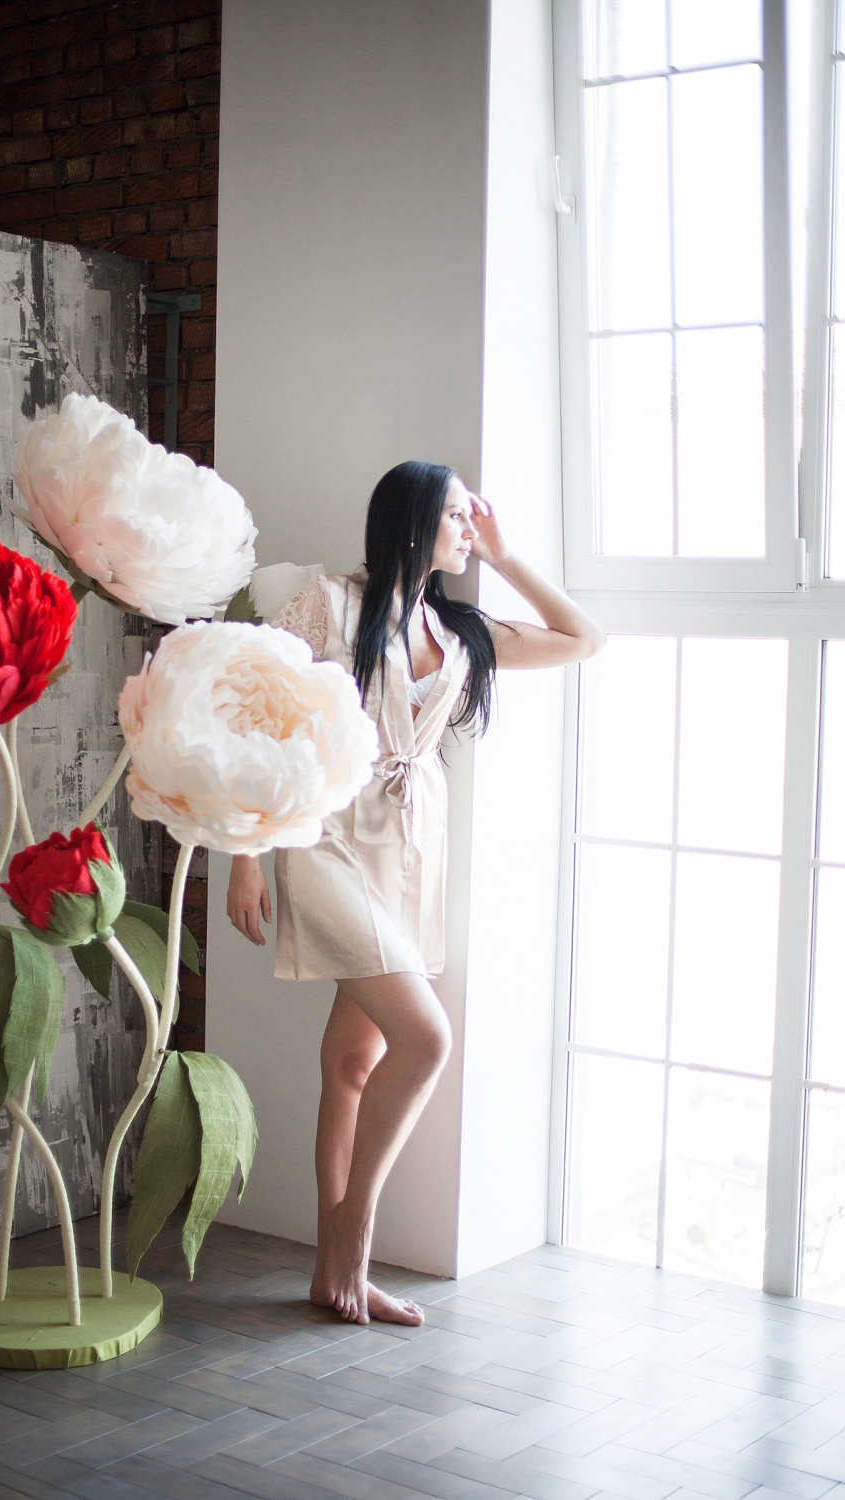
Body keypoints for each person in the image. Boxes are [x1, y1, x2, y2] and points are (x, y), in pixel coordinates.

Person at [226, 460, 605, 1325]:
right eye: (458, 517)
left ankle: (332, 1273)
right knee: (427, 1038)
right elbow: (249, 714)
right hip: (327, 840)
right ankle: (352, 1230)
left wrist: (503, 557)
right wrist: (244, 852)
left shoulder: (459, 629)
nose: (469, 528)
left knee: (352, 1062)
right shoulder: (329, 603)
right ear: (411, 519)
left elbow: (583, 638)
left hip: (409, 854)